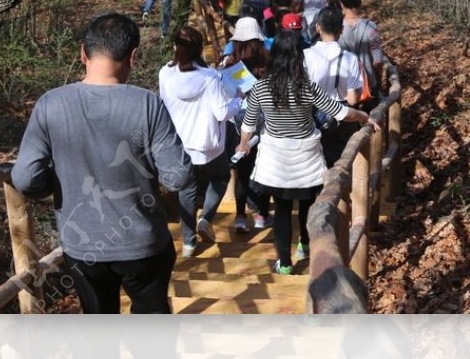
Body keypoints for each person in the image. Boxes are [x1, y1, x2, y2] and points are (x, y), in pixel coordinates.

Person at [11, 12, 193, 314]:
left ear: (83, 53)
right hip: (143, 244)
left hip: (83, 248)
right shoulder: (147, 104)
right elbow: (177, 176)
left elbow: (26, 178)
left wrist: (58, 184)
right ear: (133, 56)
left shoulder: (50, 104)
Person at [235, 30, 377, 275]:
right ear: (298, 57)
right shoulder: (307, 88)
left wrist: (243, 143)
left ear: (274, 56)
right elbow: (341, 113)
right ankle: (304, 244)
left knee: (280, 208)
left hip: (275, 158)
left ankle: (285, 263)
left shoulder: (260, 88)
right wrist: (365, 116)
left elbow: (249, 121)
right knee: (306, 204)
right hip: (306, 156)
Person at [158, 26, 240, 257]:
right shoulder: (210, 78)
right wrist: (238, 100)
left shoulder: (165, 73)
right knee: (221, 176)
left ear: (176, 48)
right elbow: (222, 113)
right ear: (198, 50)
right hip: (208, 145)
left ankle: (188, 243)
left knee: (187, 190)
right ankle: (206, 217)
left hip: (179, 143)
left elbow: (163, 105)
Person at [220, 17, 273, 232]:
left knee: (242, 171)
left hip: (239, 122)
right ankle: (261, 213)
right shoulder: (269, 62)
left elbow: (227, 96)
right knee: (264, 167)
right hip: (265, 121)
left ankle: (241, 216)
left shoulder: (231, 66)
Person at [304, 6, 365, 167]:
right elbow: (352, 100)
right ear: (342, 30)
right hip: (342, 119)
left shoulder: (305, 56)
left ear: (318, 27)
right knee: (344, 164)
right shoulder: (349, 58)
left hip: (311, 117)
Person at [338, 0, 387, 104]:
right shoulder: (371, 27)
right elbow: (378, 60)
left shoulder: (335, 28)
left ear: (341, 4)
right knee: (371, 118)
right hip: (368, 84)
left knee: (349, 119)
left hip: (343, 86)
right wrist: (377, 82)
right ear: (360, 3)